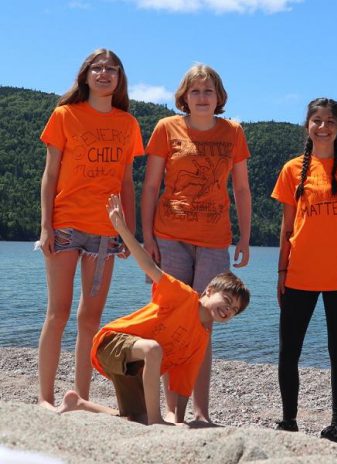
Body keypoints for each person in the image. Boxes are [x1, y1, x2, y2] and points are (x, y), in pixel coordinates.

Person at [57, 194, 250, 425]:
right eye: (226, 300)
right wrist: (121, 227)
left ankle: (78, 405)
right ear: (208, 290)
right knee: (153, 349)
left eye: (234, 310)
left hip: (135, 367)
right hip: (112, 343)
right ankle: (156, 421)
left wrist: (178, 421)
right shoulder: (182, 295)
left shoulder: (201, 339)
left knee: (135, 419)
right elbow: (148, 265)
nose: (228, 309)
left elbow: (182, 386)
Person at [141, 64, 251, 424]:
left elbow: (241, 189)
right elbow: (151, 187)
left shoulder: (233, 132)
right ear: (184, 96)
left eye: (208, 91)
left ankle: (200, 412)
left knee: (203, 326)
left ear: (219, 97)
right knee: (171, 322)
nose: (202, 97)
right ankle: (171, 410)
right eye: (195, 91)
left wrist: (246, 237)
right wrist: (148, 239)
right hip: (169, 235)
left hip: (214, 239)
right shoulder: (166, 128)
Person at [36, 49, 144, 410]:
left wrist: (128, 231)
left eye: (111, 69)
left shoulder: (127, 123)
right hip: (65, 224)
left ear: (119, 79)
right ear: (85, 76)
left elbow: (127, 182)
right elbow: (50, 175)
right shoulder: (64, 115)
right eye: (97, 68)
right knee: (59, 312)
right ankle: (45, 398)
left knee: (91, 318)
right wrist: (45, 226)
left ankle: (79, 398)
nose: (104, 74)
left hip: (105, 231)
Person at [271, 98, 337, 443]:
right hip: (299, 273)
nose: (323, 126)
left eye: (330, 121)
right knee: (289, 350)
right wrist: (281, 272)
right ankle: (288, 420)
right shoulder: (291, 169)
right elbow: (286, 227)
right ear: (308, 126)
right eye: (316, 120)